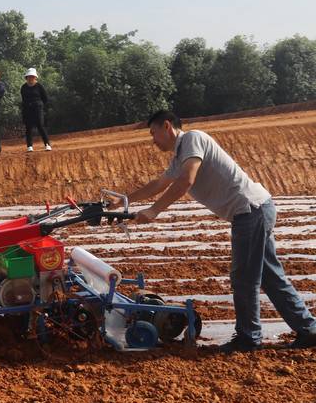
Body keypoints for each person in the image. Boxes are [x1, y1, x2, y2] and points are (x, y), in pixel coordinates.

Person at [112, 110, 316, 352]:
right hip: (253, 211)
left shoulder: (192, 140)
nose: (153, 140)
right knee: (270, 277)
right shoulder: (178, 157)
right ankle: (309, 330)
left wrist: (155, 210)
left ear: (167, 126)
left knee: (244, 278)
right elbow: (158, 184)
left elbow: (186, 180)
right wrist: (123, 201)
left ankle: (248, 339)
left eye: (153, 133)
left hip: (250, 211)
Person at [20, 68, 52, 152]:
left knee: (40, 126)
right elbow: (23, 99)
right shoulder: (23, 87)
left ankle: (47, 144)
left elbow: (45, 98)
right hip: (27, 109)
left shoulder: (39, 86)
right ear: (26, 77)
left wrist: (40, 106)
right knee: (28, 127)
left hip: (38, 109)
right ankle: (29, 146)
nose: (31, 78)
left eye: (32, 76)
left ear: (35, 77)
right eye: (29, 76)